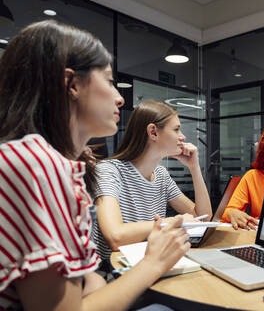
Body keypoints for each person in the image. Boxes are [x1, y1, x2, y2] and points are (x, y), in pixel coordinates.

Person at [0, 20, 190, 310]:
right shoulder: (35, 164)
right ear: (73, 84)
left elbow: (85, 282)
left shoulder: (52, 162)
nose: (120, 97)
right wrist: (154, 262)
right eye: (110, 81)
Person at [93, 100, 212, 263]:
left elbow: (202, 218)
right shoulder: (109, 170)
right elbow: (115, 236)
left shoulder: (161, 175)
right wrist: (172, 222)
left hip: (150, 264)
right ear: (153, 132)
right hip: (113, 271)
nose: (182, 137)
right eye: (176, 129)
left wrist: (195, 168)